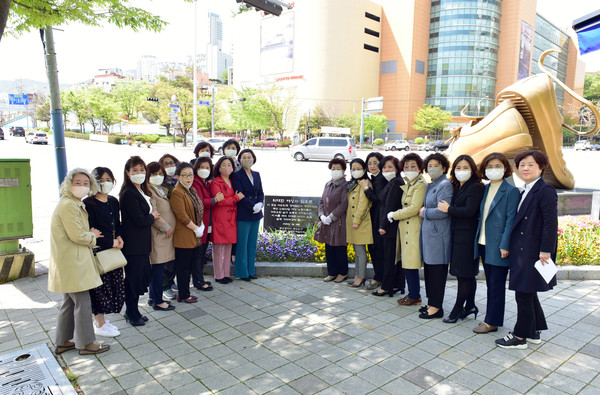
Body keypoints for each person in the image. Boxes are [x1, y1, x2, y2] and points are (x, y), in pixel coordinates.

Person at [496, 150, 558, 349]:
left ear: (541, 167)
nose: (525, 168)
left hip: (533, 252)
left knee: (523, 293)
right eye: (522, 164)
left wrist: (546, 250)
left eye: (531, 164)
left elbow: (550, 223)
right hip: (524, 250)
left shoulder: (545, 190)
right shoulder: (526, 190)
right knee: (529, 292)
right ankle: (535, 331)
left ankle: (520, 336)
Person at [49, 168, 110, 355]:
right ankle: (86, 343)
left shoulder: (71, 203)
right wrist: (92, 236)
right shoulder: (68, 205)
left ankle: (62, 341)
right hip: (73, 263)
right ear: (68, 184)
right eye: (78, 182)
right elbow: (77, 236)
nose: (82, 186)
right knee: (83, 302)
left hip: (70, 262)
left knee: (69, 302)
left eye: (86, 183)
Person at [472, 152, 520, 334]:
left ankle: (491, 321)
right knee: (491, 283)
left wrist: (505, 244)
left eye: (497, 166)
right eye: (489, 167)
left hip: (499, 245)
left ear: (505, 168)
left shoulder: (511, 190)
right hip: (484, 243)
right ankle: (492, 318)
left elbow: (510, 220)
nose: (493, 170)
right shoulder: (485, 188)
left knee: (496, 284)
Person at [437, 155, 484, 323]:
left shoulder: (476, 187)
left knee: (464, 275)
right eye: (458, 168)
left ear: (472, 169)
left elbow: (470, 211)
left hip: (467, 236)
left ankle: (457, 309)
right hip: (457, 235)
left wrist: (449, 209)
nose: (461, 171)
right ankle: (470, 306)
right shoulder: (457, 186)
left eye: (465, 168)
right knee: (467, 275)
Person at [83, 167, 125, 338]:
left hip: (113, 252)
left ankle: (103, 321)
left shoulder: (114, 201)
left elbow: (117, 223)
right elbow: (91, 231)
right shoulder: (88, 204)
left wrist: (120, 237)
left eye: (109, 179)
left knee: (113, 287)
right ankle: (99, 323)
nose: (105, 183)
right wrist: (110, 241)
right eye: (101, 180)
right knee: (98, 289)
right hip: (99, 252)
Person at [120, 156, 159, 326]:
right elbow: (140, 220)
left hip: (142, 244)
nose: (139, 173)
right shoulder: (129, 193)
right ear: (127, 173)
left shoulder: (141, 191)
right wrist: (152, 216)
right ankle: (131, 312)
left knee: (138, 278)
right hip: (133, 245)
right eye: (134, 170)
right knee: (133, 280)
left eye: (142, 169)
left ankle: (134, 310)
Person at [418, 153, 453, 319]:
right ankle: (431, 302)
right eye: (430, 165)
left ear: (444, 167)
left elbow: (443, 212)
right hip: (429, 236)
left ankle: (437, 307)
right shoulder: (432, 184)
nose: (432, 168)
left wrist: (424, 212)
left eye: (436, 165)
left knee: (437, 273)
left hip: (439, 237)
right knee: (430, 272)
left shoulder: (445, 185)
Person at [393, 153, 427, 307]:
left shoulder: (420, 184)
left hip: (413, 227)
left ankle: (415, 295)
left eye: (413, 166)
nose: (409, 169)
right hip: (406, 227)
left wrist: (394, 215)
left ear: (420, 168)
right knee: (407, 262)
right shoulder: (410, 183)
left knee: (411, 263)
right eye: (406, 166)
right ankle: (412, 293)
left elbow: (414, 208)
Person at [169, 162, 205, 303]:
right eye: (184, 175)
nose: (188, 178)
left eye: (190, 175)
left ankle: (185, 292)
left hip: (194, 235)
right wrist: (196, 228)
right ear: (177, 176)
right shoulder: (177, 192)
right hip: (184, 236)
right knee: (183, 268)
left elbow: (198, 209)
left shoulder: (191, 190)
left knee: (190, 266)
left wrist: (200, 226)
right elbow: (182, 216)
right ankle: (184, 295)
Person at [373, 156, 405, 297]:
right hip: (391, 226)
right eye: (384, 167)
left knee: (389, 259)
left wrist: (383, 225)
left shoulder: (396, 183)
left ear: (397, 168)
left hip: (390, 227)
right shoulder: (392, 182)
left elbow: (390, 206)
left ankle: (386, 287)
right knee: (394, 258)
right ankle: (397, 285)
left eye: (390, 167)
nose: (386, 170)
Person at [147, 161, 177, 311]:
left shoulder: (163, 189)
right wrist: (166, 227)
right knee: (157, 269)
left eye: (160, 174)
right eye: (154, 173)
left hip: (167, 235)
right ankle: (158, 301)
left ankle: (153, 297)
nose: (157, 176)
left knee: (159, 268)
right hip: (159, 234)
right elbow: (153, 213)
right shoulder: (149, 191)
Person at [232, 149, 264, 281]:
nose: (247, 159)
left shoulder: (257, 174)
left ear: (253, 159)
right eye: (244, 157)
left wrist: (260, 204)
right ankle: (242, 272)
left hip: (256, 214)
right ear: (239, 160)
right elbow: (239, 195)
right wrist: (252, 205)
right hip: (244, 213)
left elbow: (261, 192)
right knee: (242, 244)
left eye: (249, 157)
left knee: (252, 244)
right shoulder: (236, 175)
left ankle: (251, 271)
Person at [314, 158, 349, 283]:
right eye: (333, 169)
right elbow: (322, 201)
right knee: (329, 247)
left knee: (339, 247)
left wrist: (331, 217)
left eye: (338, 169)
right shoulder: (328, 184)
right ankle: (332, 273)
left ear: (344, 170)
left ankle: (342, 273)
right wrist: (322, 216)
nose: (335, 171)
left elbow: (343, 204)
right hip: (326, 223)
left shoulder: (346, 185)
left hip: (339, 222)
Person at [210, 157, 243, 283]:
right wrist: (235, 198)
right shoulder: (216, 183)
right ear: (218, 168)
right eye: (223, 165)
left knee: (228, 246)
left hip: (231, 218)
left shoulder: (231, 180)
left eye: (229, 165)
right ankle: (218, 275)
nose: (227, 167)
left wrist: (233, 198)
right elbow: (220, 201)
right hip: (220, 217)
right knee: (218, 247)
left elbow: (226, 199)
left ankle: (226, 274)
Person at [191, 157, 220, 291]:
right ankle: (198, 281)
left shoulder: (206, 183)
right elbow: (200, 202)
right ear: (196, 168)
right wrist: (215, 200)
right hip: (200, 224)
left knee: (202, 254)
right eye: (202, 167)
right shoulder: (196, 182)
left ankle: (199, 278)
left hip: (207, 223)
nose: (205, 170)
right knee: (198, 254)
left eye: (207, 167)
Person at [361, 152, 387, 290]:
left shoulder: (381, 179)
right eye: (369, 163)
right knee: (374, 248)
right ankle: (379, 276)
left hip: (380, 220)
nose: (372, 166)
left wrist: (366, 189)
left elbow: (378, 200)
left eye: (375, 163)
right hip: (374, 219)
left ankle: (379, 278)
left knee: (377, 249)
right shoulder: (375, 178)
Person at [346, 158, 373, 287]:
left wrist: (356, 221)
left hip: (361, 223)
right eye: (353, 169)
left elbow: (363, 204)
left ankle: (361, 276)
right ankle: (358, 274)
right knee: (357, 251)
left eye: (358, 168)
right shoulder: (354, 183)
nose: (355, 171)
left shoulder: (365, 183)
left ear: (364, 169)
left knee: (361, 252)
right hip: (353, 222)